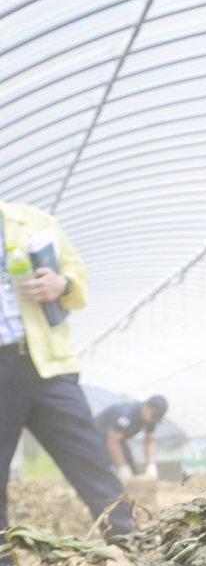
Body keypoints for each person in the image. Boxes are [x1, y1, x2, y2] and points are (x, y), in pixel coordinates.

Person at [0, 199, 132, 538]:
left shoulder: (33, 221)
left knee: (88, 457)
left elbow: (78, 279)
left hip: (47, 364)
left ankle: (128, 542)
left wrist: (62, 285)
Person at [97, 395, 168, 480]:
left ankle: (134, 490)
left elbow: (150, 441)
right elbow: (112, 442)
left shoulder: (151, 418)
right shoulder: (126, 415)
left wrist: (151, 464)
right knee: (102, 466)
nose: (152, 419)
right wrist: (122, 467)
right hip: (96, 438)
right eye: (153, 415)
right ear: (146, 405)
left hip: (117, 440)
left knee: (132, 470)